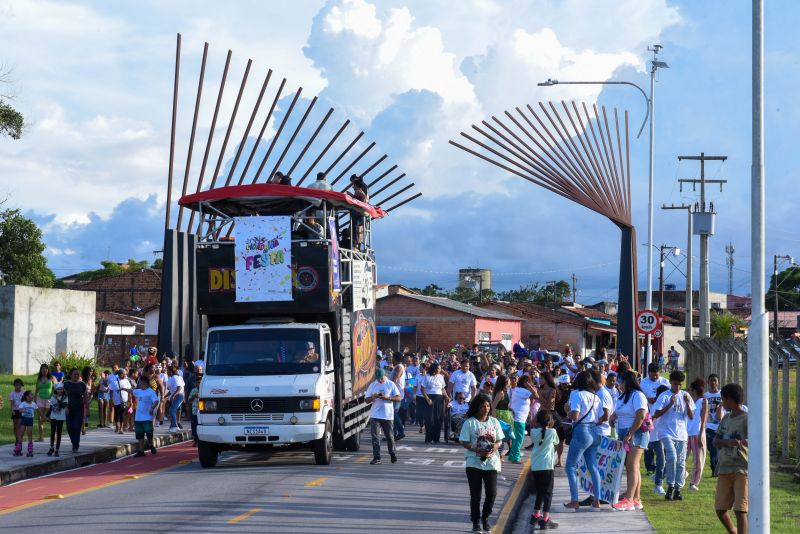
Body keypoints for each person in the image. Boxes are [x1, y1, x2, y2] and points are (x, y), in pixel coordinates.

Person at [459, 394, 504, 534]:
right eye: (483, 406)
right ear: (477, 407)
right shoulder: (469, 423)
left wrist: (494, 447)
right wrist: (476, 449)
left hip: (491, 463)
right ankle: (476, 522)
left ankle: (485, 518)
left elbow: (500, 441)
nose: (486, 408)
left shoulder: (494, 422)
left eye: (488, 406)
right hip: (474, 462)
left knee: (492, 493)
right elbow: (464, 442)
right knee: (476, 495)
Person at [562, 371, 602, 512]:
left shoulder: (577, 394)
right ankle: (597, 500)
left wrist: (567, 411)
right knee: (593, 466)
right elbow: (600, 417)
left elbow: (575, 416)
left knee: (570, 466)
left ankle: (574, 500)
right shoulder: (595, 396)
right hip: (594, 431)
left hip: (582, 431)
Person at [610, 370, 650, 512]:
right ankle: (636, 499)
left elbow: (640, 416)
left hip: (636, 433)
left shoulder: (638, 395)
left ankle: (629, 499)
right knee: (633, 466)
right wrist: (613, 417)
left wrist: (630, 433)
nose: (618, 384)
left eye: (620, 381)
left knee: (631, 465)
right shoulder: (622, 396)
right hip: (624, 433)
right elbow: (620, 411)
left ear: (627, 382)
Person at [653, 370, 694, 501]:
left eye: (680, 385)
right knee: (671, 456)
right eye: (675, 384)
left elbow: (691, 416)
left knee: (681, 463)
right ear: (670, 382)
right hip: (666, 432)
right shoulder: (664, 396)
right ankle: (670, 486)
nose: (677, 387)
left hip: (681, 434)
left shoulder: (685, 395)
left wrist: (687, 403)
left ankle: (677, 489)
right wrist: (670, 404)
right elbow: (656, 414)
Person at [712, 383, 748, 534]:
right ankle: (733, 531)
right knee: (720, 509)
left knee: (740, 511)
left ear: (730, 400)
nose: (722, 403)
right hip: (724, 469)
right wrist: (726, 442)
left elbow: (756, 440)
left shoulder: (747, 419)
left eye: (723, 400)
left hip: (742, 470)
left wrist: (745, 442)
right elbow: (715, 441)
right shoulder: (725, 418)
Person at [528, 409, 559, 529]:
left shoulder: (533, 432)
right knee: (548, 493)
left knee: (540, 491)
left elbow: (537, 430)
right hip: (547, 466)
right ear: (550, 421)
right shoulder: (552, 432)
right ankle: (545, 519)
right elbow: (556, 442)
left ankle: (536, 514)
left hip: (536, 466)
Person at [366, 368, 402, 464]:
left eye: (381, 378)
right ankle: (377, 457)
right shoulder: (373, 385)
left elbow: (399, 397)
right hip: (375, 414)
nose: (380, 380)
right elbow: (366, 400)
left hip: (387, 415)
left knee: (390, 436)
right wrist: (373, 397)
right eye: (378, 378)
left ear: (384, 376)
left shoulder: (390, 384)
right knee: (375, 436)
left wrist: (388, 398)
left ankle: (392, 454)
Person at [641, 363, 670, 475]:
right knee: (649, 441)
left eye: (656, 375)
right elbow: (640, 395)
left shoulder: (665, 382)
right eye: (652, 375)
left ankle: (665, 466)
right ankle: (650, 467)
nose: (654, 377)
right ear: (648, 373)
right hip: (649, 414)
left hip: (662, 414)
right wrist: (649, 399)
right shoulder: (643, 382)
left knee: (663, 441)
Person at [508, 374, 537, 463]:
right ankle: (515, 458)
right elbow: (536, 396)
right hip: (519, 418)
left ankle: (512, 456)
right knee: (519, 439)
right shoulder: (525, 391)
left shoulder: (516, 389)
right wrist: (530, 386)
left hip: (514, 417)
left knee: (515, 438)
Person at [687, 378, 709, 491]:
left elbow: (704, 418)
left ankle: (693, 482)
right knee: (683, 458)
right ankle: (681, 477)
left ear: (695, 390)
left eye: (690, 389)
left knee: (699, 459)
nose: (689, 392)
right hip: (688, 433)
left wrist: (701, 434)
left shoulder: (703, 401)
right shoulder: (692, 402)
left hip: (697, 433)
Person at [422, 362, 449, 444]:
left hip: (439, 399)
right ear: (434, 369)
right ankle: (428, 438)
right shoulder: (427, 376)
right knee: (429, 419)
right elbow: (422, 389)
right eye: (439, 368)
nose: (440, 370)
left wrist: (447, 396)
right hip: (430, 398)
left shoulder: (441, 377)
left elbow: (443, 389)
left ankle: (436, 438)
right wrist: (427, 399)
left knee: (438, 419)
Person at [133, 377, 160, 456]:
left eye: (140, 382)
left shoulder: (151, 392)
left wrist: (152, 408)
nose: (139, 384)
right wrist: (123, 388)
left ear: (144, 382)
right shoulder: (139, 391)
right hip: (138, 417)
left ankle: (151, 445)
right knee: (139, 434)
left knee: (149, 433)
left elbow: (156, 401)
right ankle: (141, 451)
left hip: (147, 416)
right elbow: (131, 391)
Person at [63, 368, 88, 453]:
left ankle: (75, 446)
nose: (77, 376)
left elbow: (86, 397)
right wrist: (64, 407)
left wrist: (87, 409)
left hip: (79, 409)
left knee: (77, 427)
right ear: (71, 375)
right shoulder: (66, 384)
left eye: (78, 374)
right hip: (68, 409)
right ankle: (74, 442)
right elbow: (62, 396)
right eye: (75, 374)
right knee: (70, 428)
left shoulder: (82, 384)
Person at [705, 373, 723, 477]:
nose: (713, 383)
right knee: (713, 449)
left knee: (720, 450)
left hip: (721, 426)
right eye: (711, 380)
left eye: (715, 380)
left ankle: (720, 469)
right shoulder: (705, 396)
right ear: (708, 382)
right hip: (709, 426)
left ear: (718, 382)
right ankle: (715, 469)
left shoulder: (722, 395)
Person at [34, 363, 56, 442]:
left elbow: (57, 388)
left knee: (49, 418)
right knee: (40, 419)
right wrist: (34, 401)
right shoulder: (39, 379)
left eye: (45, 368)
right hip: (39, 399)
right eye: (42, 368)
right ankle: (41, 437)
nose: (44, 370)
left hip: (49, 400)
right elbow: (36, 391)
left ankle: (54, 435)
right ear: (41, 370)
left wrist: (54, 397)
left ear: (48, 370)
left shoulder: (52, 378)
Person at [14, 391, 36, 457]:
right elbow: (19, 410)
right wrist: (23, 410)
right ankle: (18, 449)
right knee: (21, 434)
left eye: (32, 395)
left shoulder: (33, 404)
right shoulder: (23, 403)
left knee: (29, 434)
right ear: (26, 397)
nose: (32, 396)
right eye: (31, 395)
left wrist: (43, 416)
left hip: (30, 420)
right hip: (24, 419)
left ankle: (30, 450)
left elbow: (38, 410)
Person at [48, 382, 67, 456]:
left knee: (59, 433)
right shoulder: (52, 397)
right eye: (58, 389)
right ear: (55, 390)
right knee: (53, 432)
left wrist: (57, 399)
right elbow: (50, 407)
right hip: (53, 417)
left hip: (61, 417)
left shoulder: (65, 397)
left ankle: (57, 449)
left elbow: (63, 405)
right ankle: (52, 447)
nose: (60, 390)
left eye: (61, 389)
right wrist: (47, 415)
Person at [390, 352, 406, 441]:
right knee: (393, 414)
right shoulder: (397, 367)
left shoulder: (399, 367)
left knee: (393, 413)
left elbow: (394, 380)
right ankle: (393, 434)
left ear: (396, 358)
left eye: (393, 357)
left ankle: (401, 431)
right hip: (394, 393)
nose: (391, 359)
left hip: (397, 394)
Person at [188, 365, 203, 446]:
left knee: (200, 426)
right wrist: (194, 396)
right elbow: (189, 400)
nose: (198, 384)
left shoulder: (204, 390)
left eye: (200, 382)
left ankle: (200, 440)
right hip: (194, 411)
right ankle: (195, 440)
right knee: (194, 426)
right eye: (197, 382)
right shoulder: (193, 390)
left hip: (202, 411)